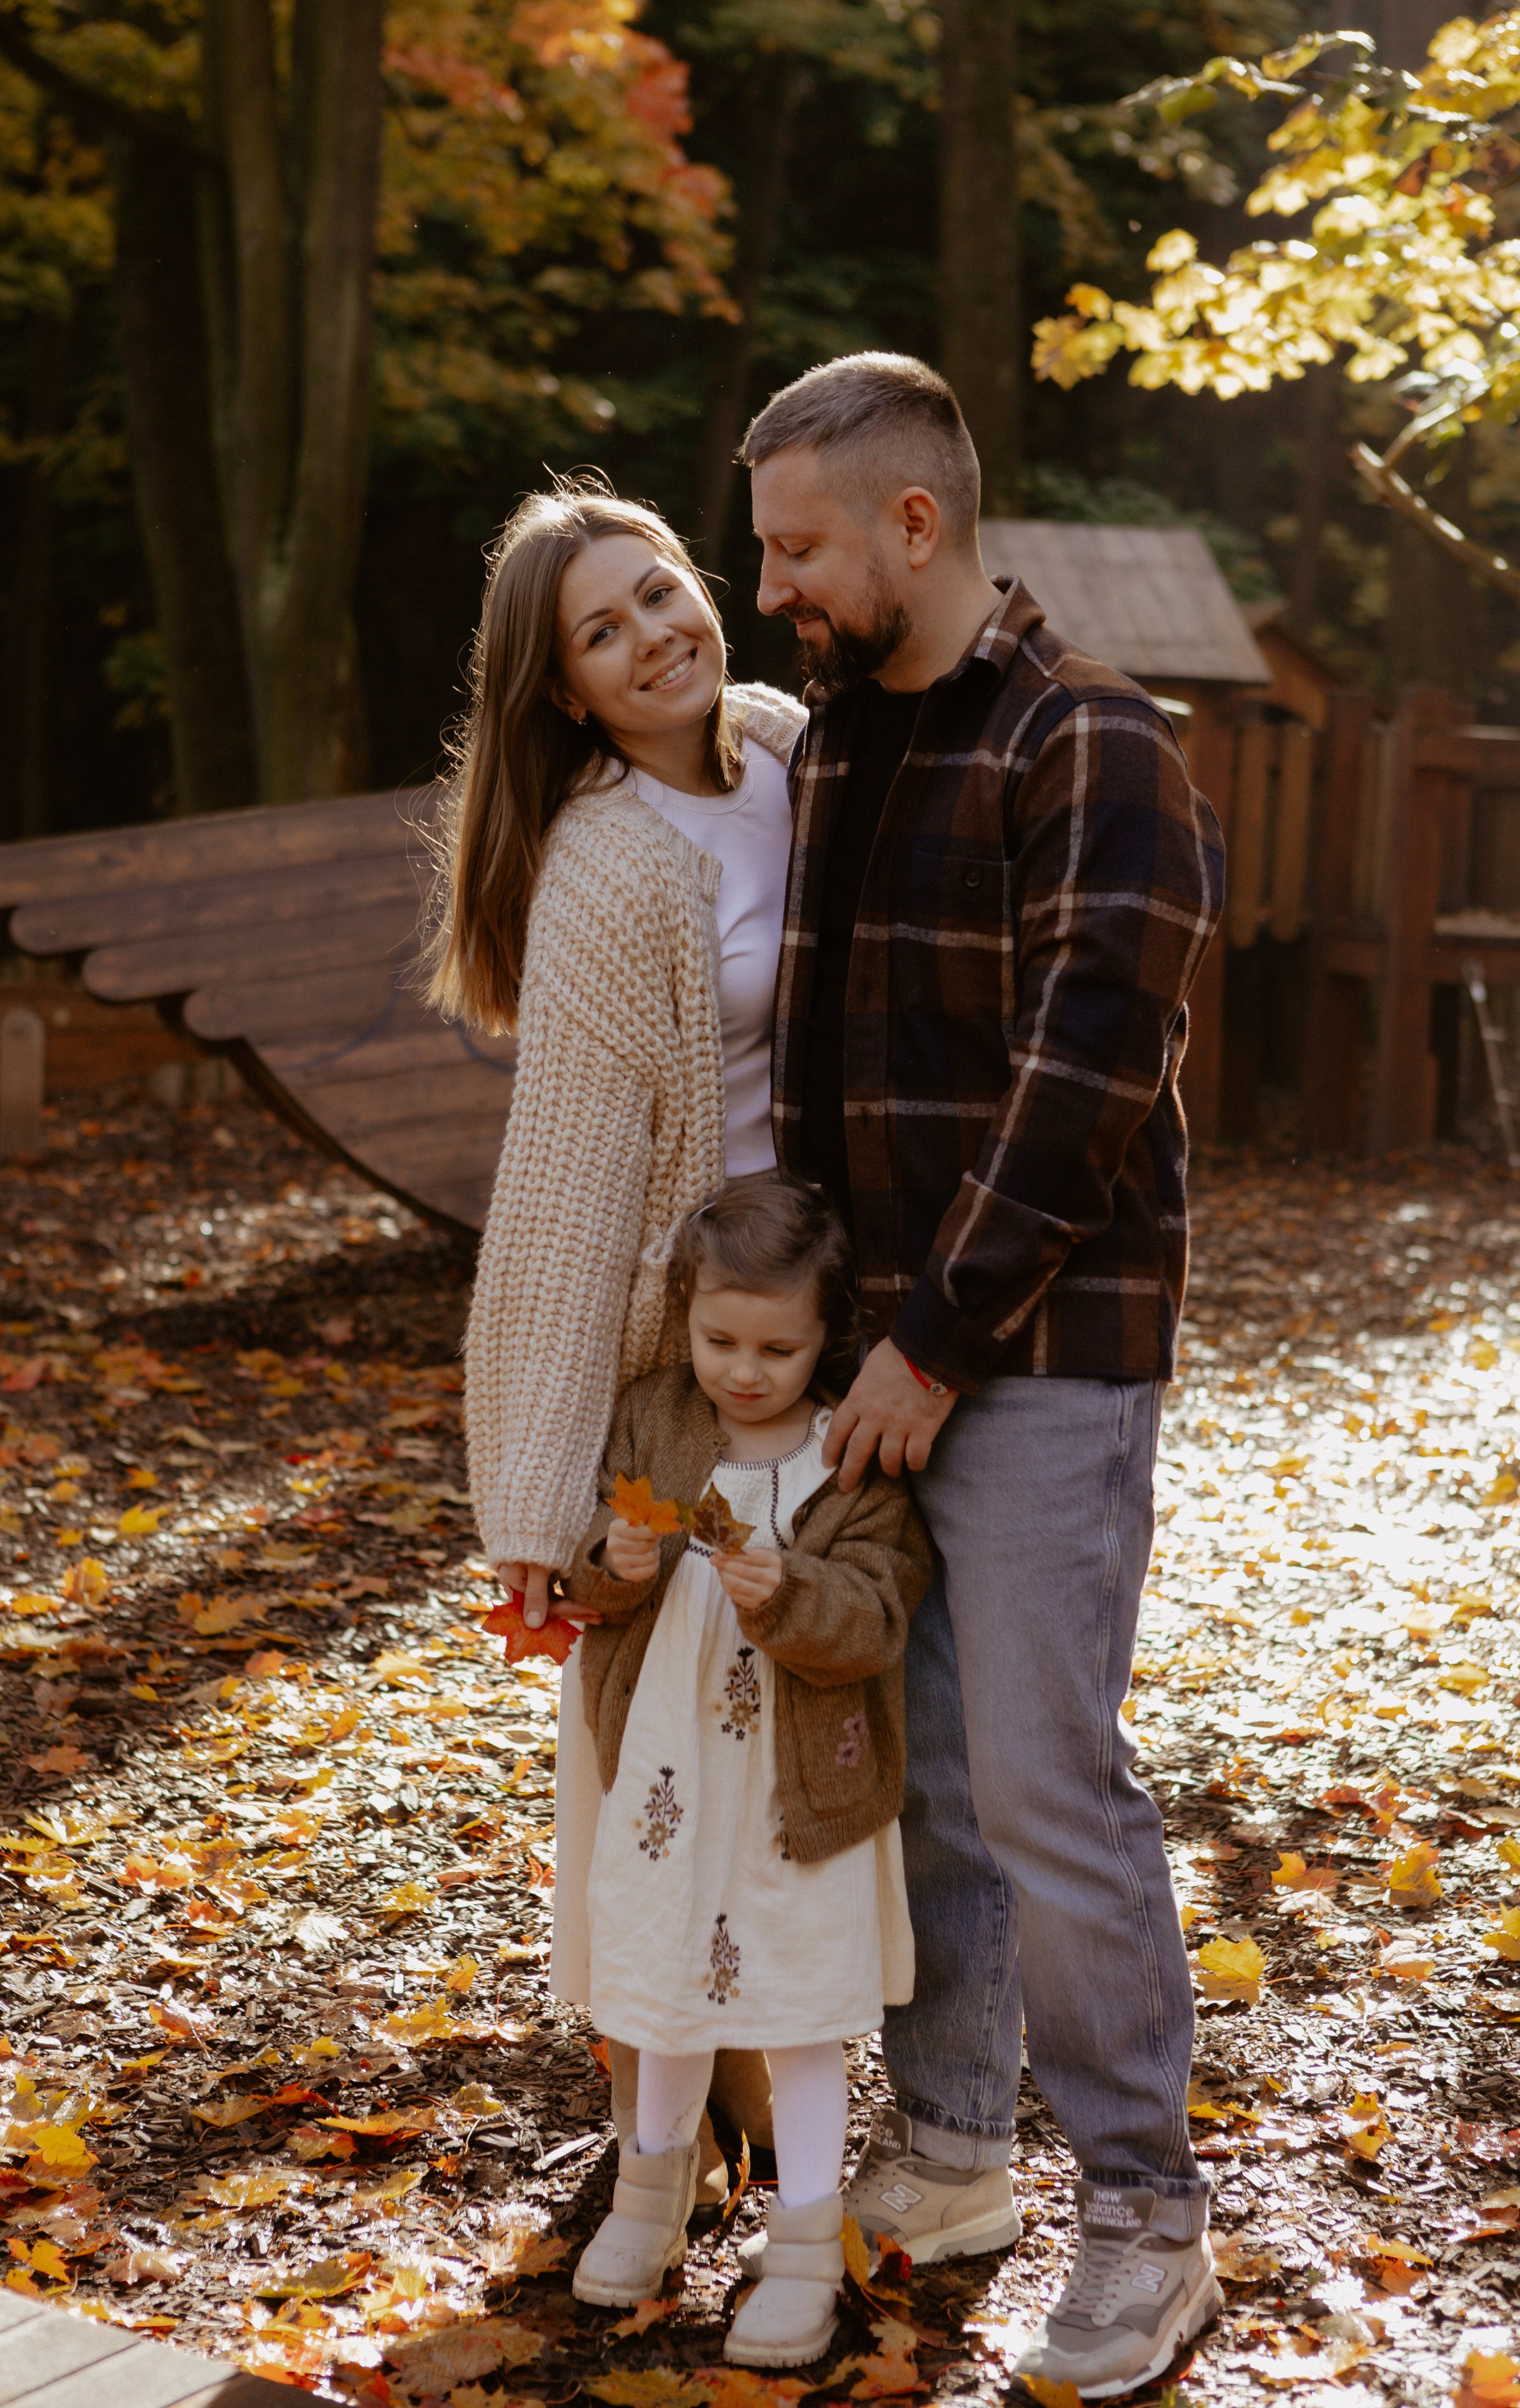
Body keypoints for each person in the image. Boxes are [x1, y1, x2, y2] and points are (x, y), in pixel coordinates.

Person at [738, 353, 1227, 2400]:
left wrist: (934, 1341)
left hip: (1036, 1356)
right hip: (879, 1360)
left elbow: (1088, 1080)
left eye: (796, 549)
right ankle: (952, 2156)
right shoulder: (845, 741)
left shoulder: (1090, 742)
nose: (770, 591)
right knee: (919, 1757)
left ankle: (1148, 2218)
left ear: (912, 529)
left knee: (1042, 1772)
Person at [422, 473, 805, 2190]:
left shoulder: (793, 744)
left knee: (819, 1726)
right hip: (689, 1360)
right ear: (566, 692)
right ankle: (669, 2118)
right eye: (605, 629)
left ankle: (775, 2100)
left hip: (837, 1323)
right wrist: (539, 1493)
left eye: (662, 591)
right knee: (665, 1750)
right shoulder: (603, 869)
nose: (657, 634)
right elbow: (569, 1191)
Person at [561, 1173, 931, 2367]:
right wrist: (612, 1561)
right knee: (669, 1980)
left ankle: (810, 2238)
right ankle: (652, 2191)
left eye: (780, 1347)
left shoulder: (851, 1457)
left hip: (796, 1795)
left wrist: (794, 1593)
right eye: (721, 1340)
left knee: (798, 2005)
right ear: (686, 1319)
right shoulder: (655, 1420)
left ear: (829, 1339)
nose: (747, 1371)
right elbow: (593, 1586)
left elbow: (879, 1613)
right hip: (672, 1783)